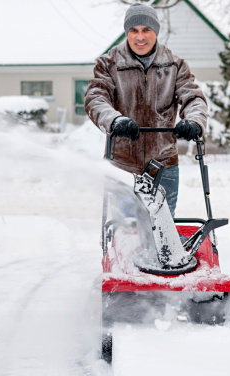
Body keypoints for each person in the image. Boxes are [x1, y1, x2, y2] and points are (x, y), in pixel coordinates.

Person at [84, 3, 208, 217]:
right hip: (122, 163)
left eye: (146, 30)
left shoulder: (174, 65)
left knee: (162, 228)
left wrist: (194, 121)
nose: (140, 37)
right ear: (127, 33)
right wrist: (115, 120)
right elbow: (96, 98)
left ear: (155, 32)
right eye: (134, 30)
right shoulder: (109, 64)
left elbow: (193, 97)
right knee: (126, 228)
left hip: (164, 163)